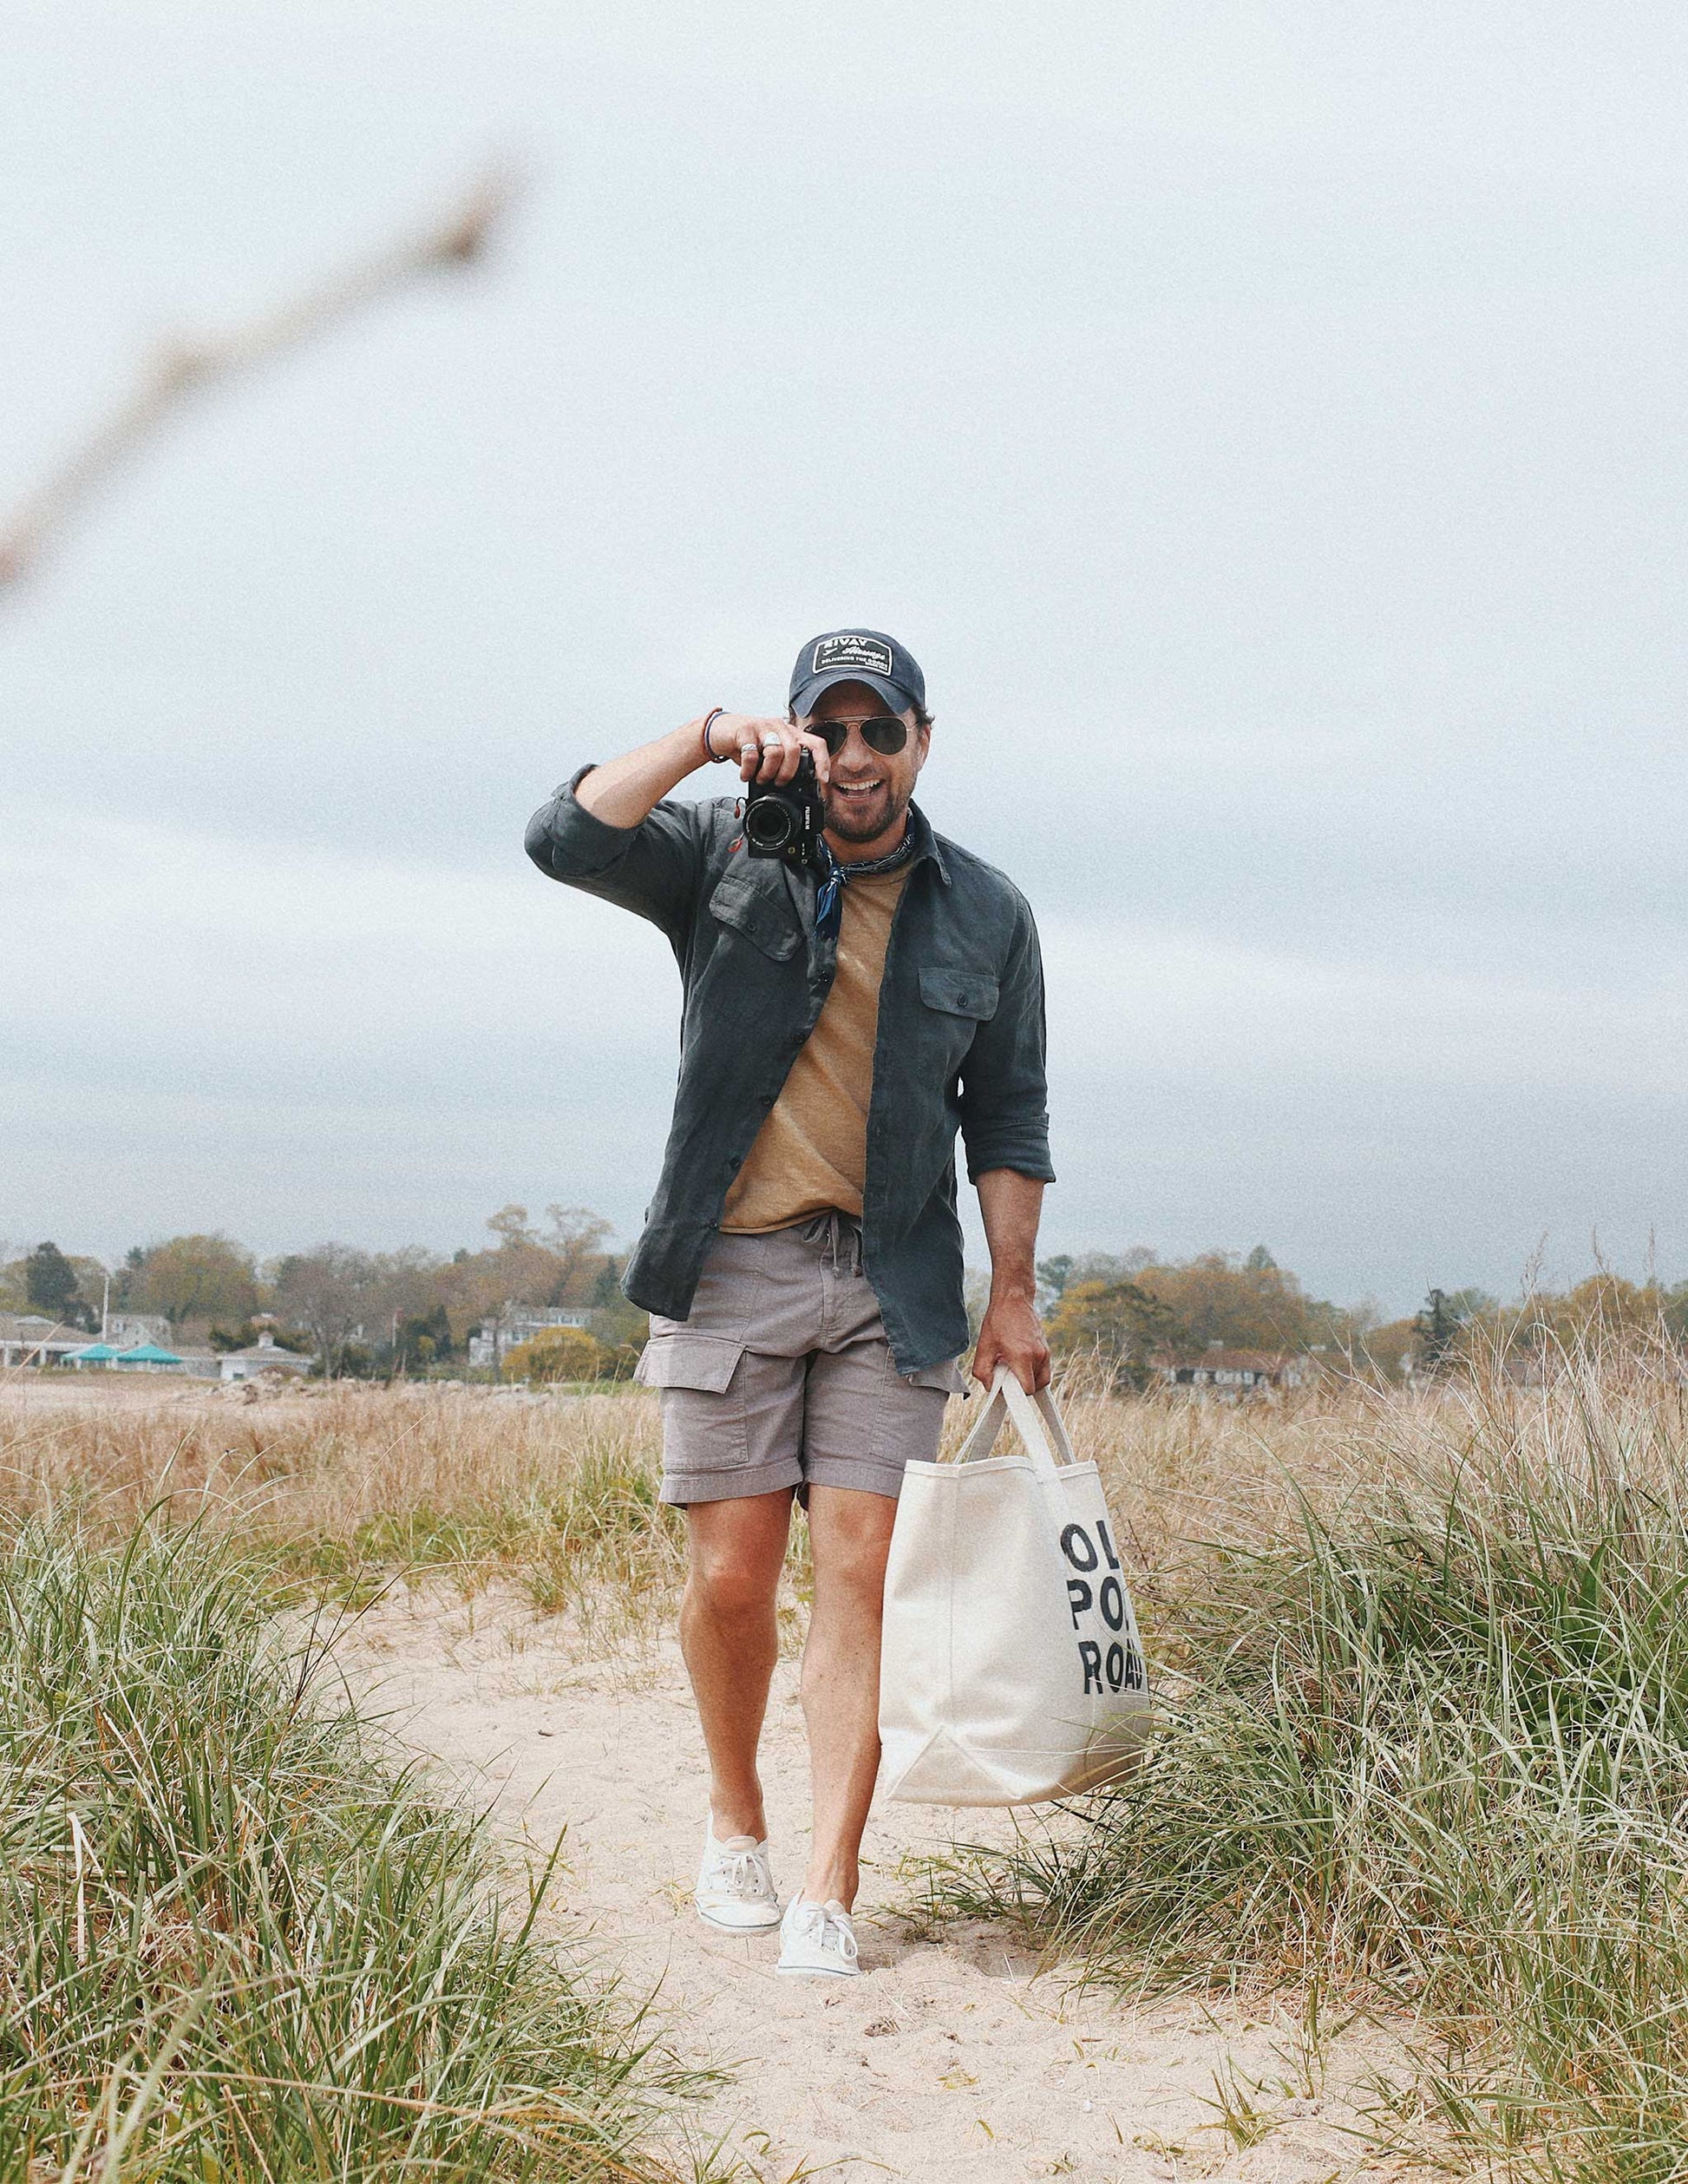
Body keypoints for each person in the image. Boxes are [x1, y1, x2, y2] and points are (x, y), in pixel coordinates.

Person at [525, 628, 1053, 1978]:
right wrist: (709, 738)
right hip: (730, 1266)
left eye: (885, 731)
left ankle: (829, 1877)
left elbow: (1005, 1112)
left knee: (863, 1578)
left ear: (923, 744)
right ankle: (735, 1820)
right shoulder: (720, 850)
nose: (859, 757)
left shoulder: (986, 911)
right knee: (731, 1578)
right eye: (835, 730)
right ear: (801, 738)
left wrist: (1014, 1296)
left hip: (893, 1283)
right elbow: (563, 838)